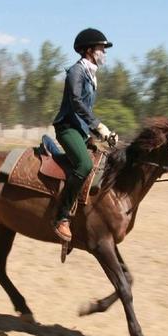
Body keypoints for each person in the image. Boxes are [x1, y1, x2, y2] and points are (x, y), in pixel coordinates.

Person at [52, 28, 117, 242]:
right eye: (101, 49)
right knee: (84, 166)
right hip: (67, 128)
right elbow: (77, 103)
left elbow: (85, 108)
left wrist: (97, 135)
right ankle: (61, 218)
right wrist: (100, 127)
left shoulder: (90, 74)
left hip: (80, 130)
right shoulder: (76, 72)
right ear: (89, 50)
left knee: (100, 162)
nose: (104, 54)